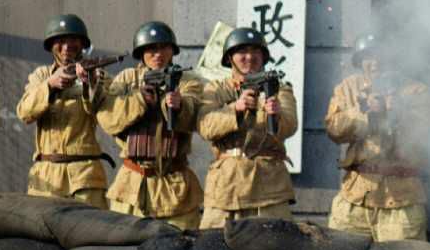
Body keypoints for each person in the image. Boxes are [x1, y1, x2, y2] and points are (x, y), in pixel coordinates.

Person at [325, 33, 430, 241]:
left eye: (382, 56)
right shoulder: (348, 88)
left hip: (401, 201)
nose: (375, 63)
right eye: (368, 58)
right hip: (354, 197)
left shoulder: (417, 91)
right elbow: (334, 130)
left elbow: (423, 135)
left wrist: (397, 111)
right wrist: (364, 113)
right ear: (360, 61)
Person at [97, 22, 204, 229]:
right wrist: (140, 100)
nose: (158, 54)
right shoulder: (128, 79)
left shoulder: (187, 80)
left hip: (175, 185)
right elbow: (109, 120)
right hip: (132, 184)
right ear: (141, 52)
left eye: (164, 47)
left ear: (173, 50)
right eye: (151, 49)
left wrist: (178, 104)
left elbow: (195, 115)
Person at [197, 27, 298, 229]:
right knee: (214, 249)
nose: (249, 58)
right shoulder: (216, 89)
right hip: (226, 186)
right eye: (242, 52)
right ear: (230, 58)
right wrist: (236, 109)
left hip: (269, 186)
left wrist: (276, 114)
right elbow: (205, 126)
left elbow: (290, 125)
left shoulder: (279, 88)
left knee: (275, 248)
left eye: (255, 52)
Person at [15, 14, 112, 208]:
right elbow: (24, 112)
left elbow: (107, 116)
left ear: (82, 44)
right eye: (60, 41)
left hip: (85, 176)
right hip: (46, 176)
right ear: (52, 45)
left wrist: (89, 84)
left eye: (73, 40)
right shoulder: (41, 76)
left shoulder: (98, 75)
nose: (67, 46)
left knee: (90, 232)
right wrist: (49, 86)